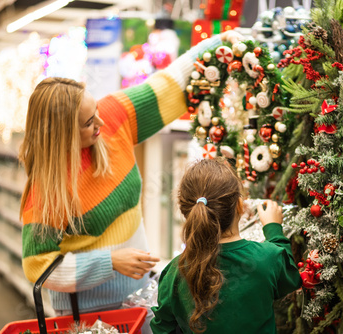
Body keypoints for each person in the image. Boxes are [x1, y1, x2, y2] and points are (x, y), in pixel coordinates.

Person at [19, 31, 243, 332]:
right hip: (85, 314)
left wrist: (219, 43)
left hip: (140, 292)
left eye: (96, 111)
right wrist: (109, 261)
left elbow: (166, 86)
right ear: (62, 135)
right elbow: (39, 267)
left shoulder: (111, 117)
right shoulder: (46, 192)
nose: (100, 123)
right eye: (88, 123)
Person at [150, 159, 302, 333]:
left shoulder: (175, 272)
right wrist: (273, 229)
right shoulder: (267, 258)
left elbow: (162, 327)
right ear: (239, 205)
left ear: (187, 212)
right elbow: (291, 278)